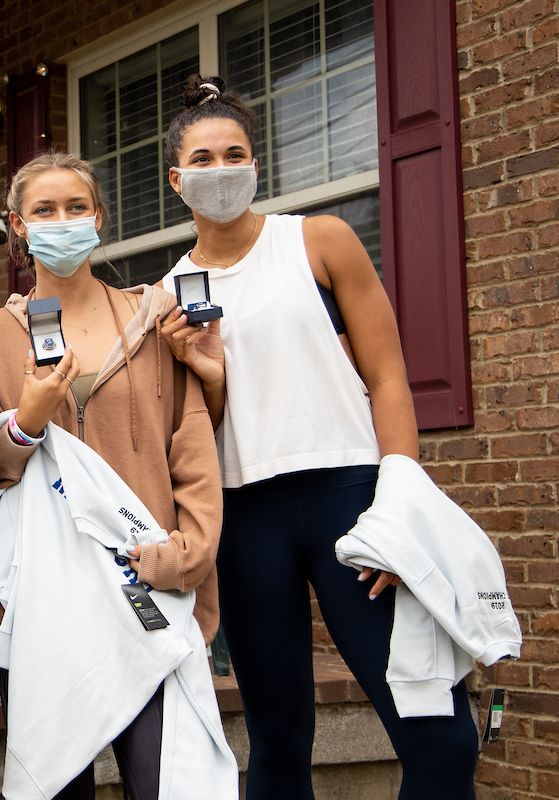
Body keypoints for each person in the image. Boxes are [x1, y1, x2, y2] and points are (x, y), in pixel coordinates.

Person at [159, 75, 479, 800]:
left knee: (441, 734)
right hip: (246, 521)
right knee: (277, 740)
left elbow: (389, 376)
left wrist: (399, 502)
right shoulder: (169, 294)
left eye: (234, 153)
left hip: (352, 502)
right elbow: (194, 436)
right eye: (202, 160)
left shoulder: (316, 241)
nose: (221, 171)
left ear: (257, 165)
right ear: (176, 180)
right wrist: (206, 375)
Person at [0, 150, 225, 800]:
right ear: (18, 225)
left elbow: (191, 448)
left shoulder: (156, 320)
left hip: (146, 588)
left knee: (163, 784)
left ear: (100, 217)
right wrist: (24, 422)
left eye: (76, 208)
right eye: (44, 211)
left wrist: (185, 558)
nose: (62, 221)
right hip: (43, 605)